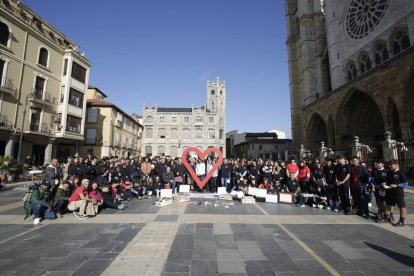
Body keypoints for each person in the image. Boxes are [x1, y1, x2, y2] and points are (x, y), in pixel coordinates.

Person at [384, 160, 408, 226]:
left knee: (401, 206)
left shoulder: (401, 173)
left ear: (396, 165)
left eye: (391, 165)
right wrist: (384, 185)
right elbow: (386, 181)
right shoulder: (389, 173)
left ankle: (401, 221)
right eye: (389, 165)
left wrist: (397, 185)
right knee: (388, 204)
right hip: (390, 191)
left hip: (398, 192)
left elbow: (406, 183)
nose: (390, 166)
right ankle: (386, 217)